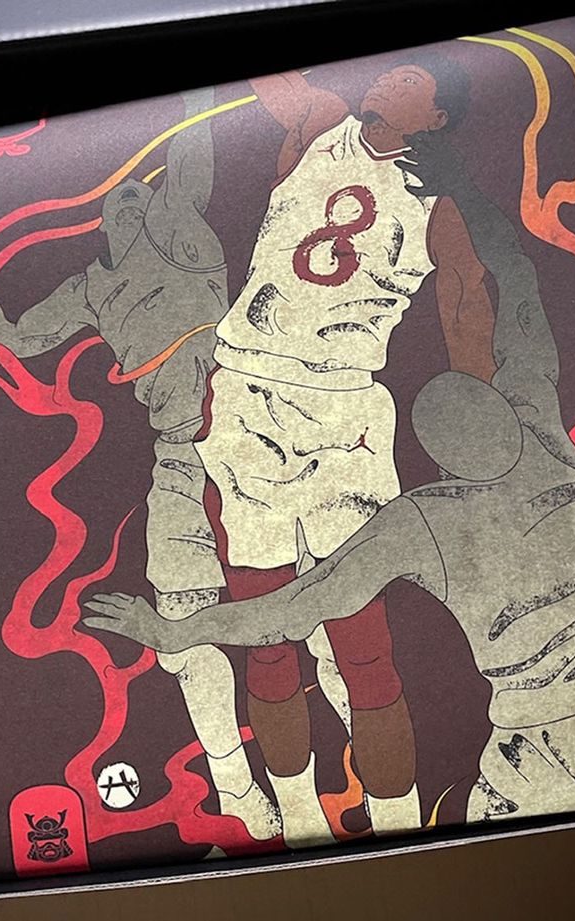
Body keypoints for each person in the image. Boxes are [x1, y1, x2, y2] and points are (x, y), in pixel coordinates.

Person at [83, 145, 575, 822]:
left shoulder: (426, 521)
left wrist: (176, 632)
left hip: (545, 733)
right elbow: (519, 291)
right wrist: (466, 193)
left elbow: (287, 611)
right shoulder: (543, 433)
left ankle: (342, 814)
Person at [0, 88, 280, 840]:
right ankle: (237, 787)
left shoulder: (183, 229)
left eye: (141, 195)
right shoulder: (91, 290)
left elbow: (192, 143)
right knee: (183, 621)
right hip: (179, 455)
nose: (131, 202)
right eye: (118, 203)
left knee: (316, 597)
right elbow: (0, 333)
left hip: (257, 431)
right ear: (102, 226)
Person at [188, 56, 494, 846]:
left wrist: (478, 425)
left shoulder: (440, 203)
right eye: (393, 70)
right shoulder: (321, 121)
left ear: (436, 118)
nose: (389, 79)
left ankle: (400, 833)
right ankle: (297, 826)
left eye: (411, 81)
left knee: (365, 651)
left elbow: (466, 300)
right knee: (265, 641)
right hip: (251, 390)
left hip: (345, 409)